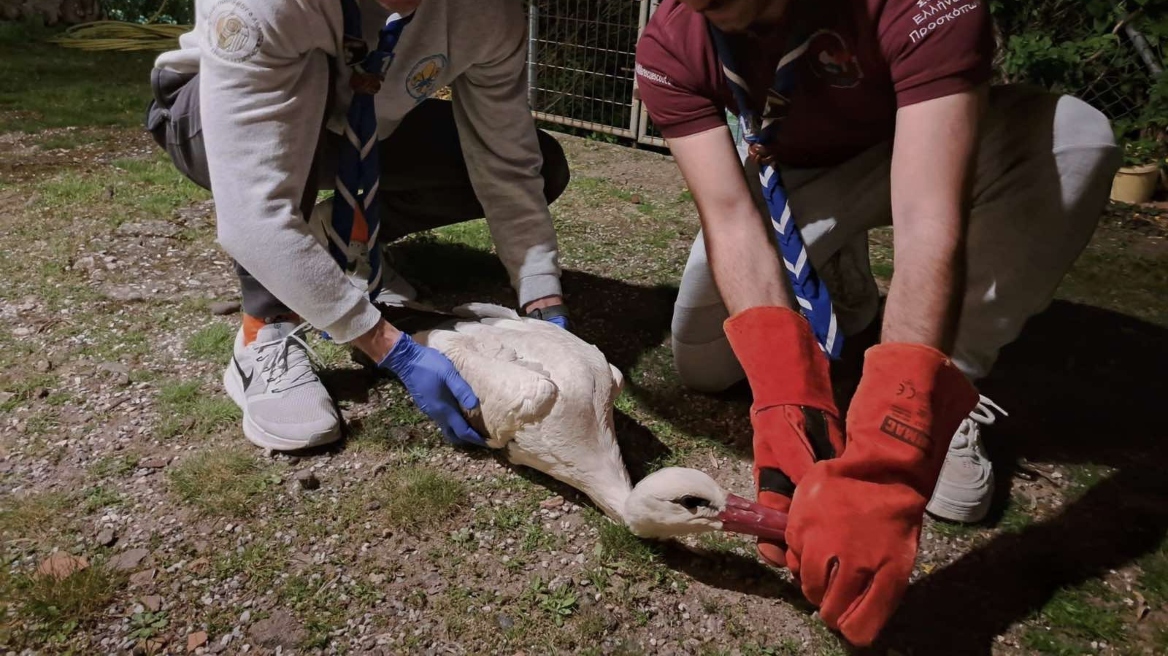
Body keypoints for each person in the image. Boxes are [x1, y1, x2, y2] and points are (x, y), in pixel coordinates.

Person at [634, 0, 1120, 645]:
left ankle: (953, 387)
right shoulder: (672, 37)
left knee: (1077, 137)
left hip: (933, 135)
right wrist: (785, 395)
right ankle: (840, 279)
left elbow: (928, 221)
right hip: (797, 169)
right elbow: (728, 217)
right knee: (703, 363)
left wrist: (896, 444)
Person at [146, 0, 572, 453]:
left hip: (356, 125)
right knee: (306, 82)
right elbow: (252, 213)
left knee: (543, 162)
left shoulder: (489, 13)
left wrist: (541, 294)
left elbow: (503, 155)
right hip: (208, 112)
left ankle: (342, 237)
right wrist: (388, 345)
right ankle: (266, 324)